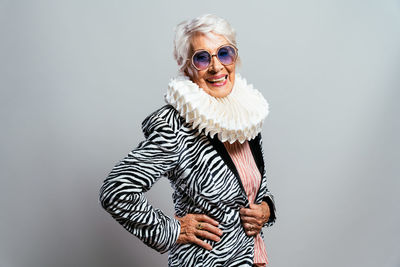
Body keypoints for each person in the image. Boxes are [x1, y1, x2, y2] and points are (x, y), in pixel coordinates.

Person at [100, 14, 276, 267]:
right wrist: (171, 230)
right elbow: (116, 191)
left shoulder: (243, 116)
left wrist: (266, 209)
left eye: (224, 53)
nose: (217, 67)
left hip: (252, 259)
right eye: (202, 58)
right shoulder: (176, 126)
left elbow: (255, 187)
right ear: (186, 67)